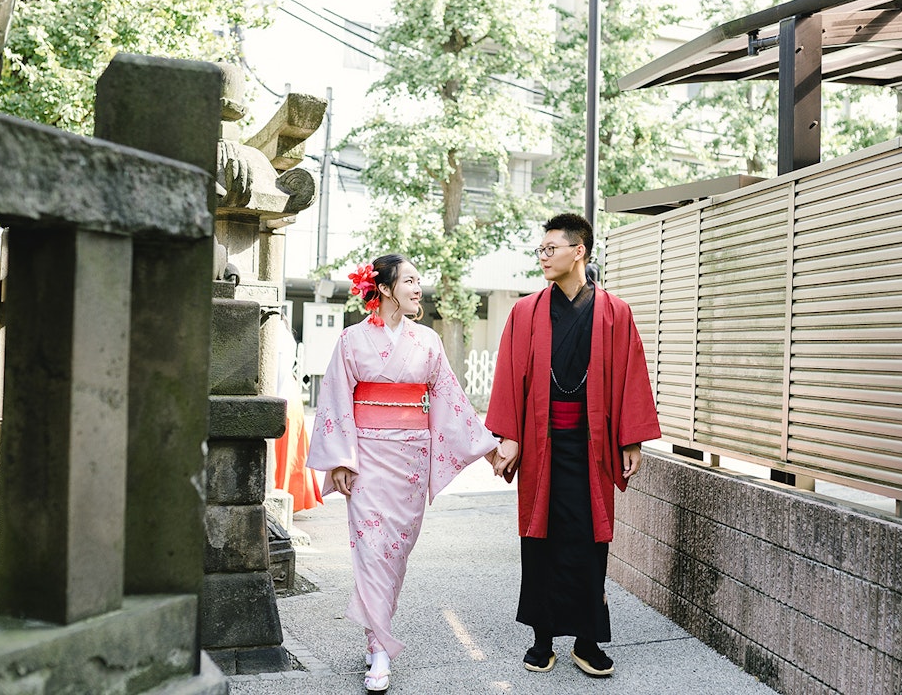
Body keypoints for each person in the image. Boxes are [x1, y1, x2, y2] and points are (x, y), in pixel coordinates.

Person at [307, 254, 501, 693]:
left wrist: (486, 446)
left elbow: (451, 399)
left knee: (393, 554)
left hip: (411, 459)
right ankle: (379, 648)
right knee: (372, 551)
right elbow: (336, 400)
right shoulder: (352, 341)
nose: (419, 288)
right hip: (368, 460)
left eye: (419, 280)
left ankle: (376, 632)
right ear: (386, 288)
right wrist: (341, 459)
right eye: (410, 280)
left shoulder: (428, 341)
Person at [486, 212, 661, 678]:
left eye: (551, 249)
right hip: (543, 443)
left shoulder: (614, 311)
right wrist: (510, 435)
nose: (543, 257)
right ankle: (542, 639)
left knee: (589, 542)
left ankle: (586, 641)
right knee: (539, 537)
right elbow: (509, 378)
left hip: (593, 445)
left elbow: (630, 377)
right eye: (540, 250)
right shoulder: (525, 312)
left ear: (578, 251)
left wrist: (631, 439)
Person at [272, 314, 322, 512]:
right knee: (290, 451)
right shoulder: (283, 332)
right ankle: (290, 494)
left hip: (282, 394)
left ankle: (281, 492)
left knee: (283, 451)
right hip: (290, 394)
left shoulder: (277, 332)